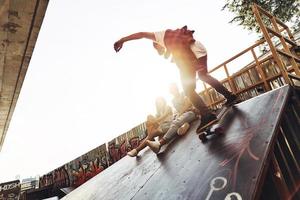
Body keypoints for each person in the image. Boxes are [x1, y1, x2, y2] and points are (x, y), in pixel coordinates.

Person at [114, 26, 237, 130]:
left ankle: (207, 114)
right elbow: (170, 51)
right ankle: (230, 96)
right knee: (203, 76)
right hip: (199, 50)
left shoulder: (159, 36)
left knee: (188, 89)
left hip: (192, 54)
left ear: (157, 43)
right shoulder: (171, 41)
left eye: (158, 49)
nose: (160, 51)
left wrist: (122, 40)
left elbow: (141, 34)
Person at [146, 83, 198, 154]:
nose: (173, 91)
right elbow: (179, 111)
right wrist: (178, 115)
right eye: (171, 90)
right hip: (182, 116)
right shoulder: (173, 101)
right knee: (175, 122)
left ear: (177, 88)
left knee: (176, 122)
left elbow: (188, 104)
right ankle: (184, 126)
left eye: (174, 89)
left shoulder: (183, 93)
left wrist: (180, 113)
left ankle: (159, 144)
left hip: (191, 112)